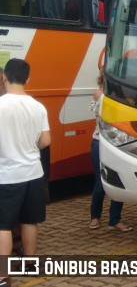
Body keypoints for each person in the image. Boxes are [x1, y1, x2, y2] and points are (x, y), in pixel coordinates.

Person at [0, 59, 51, 287]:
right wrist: (28, 149)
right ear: (28, 79)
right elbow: (46, 140)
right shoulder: (38, 106)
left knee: (3, 225)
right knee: (30, 221)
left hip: (6, 175)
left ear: (4, 77)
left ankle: (3, 275)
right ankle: (30, 265)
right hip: (33, 172)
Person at [89, 71, 132, 232]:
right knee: (100, 183)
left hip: (116, 143)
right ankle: (95, 217)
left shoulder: (120, 96)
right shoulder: (100, 94)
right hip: (99, 143)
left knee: (118, 182)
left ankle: (114, 220)